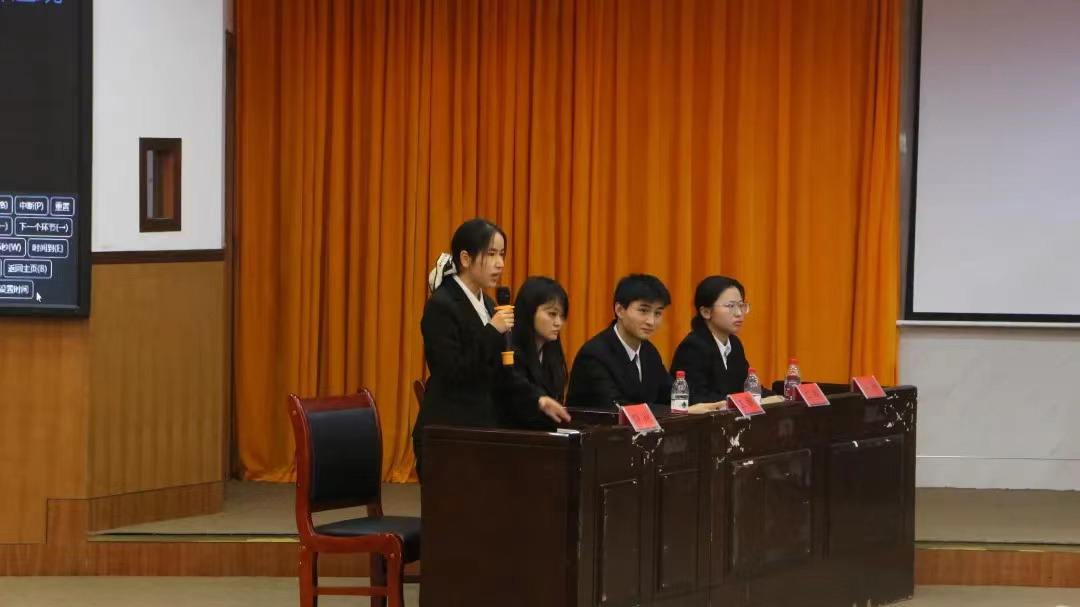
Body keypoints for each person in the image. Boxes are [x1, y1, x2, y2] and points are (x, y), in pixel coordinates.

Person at [412, 219, 568, 478]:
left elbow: (502, 372)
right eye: (491, 254)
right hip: (448, 433)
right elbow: (451, 372)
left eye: (502, 254)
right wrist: (492, 331)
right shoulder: (442, 305)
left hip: (483, 430)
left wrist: (537, 399)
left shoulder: (487, 303)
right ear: (466, 258)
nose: (500, 263)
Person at [565, 274, 672, 409]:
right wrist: (673, 411)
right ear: (620, 310)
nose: (651, 321)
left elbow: (667, 396)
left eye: (657, 313)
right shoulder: (594, 355)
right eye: (643, 310)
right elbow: (617, 409)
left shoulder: (649, 351)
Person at [669, 275, 772, 408]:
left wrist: (777, 398)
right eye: (730, 306)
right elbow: (699, 398)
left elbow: (747, 386)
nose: (739, 313)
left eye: (741, 305)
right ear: (706, 312)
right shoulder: (692, 347)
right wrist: (748, 401)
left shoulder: (734, 344)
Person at [497, 276, 571, 431]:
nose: (558, 323)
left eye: (562, 316)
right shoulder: (508, 352)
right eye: (552, 314)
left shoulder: (552, 353)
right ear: (529, 312)